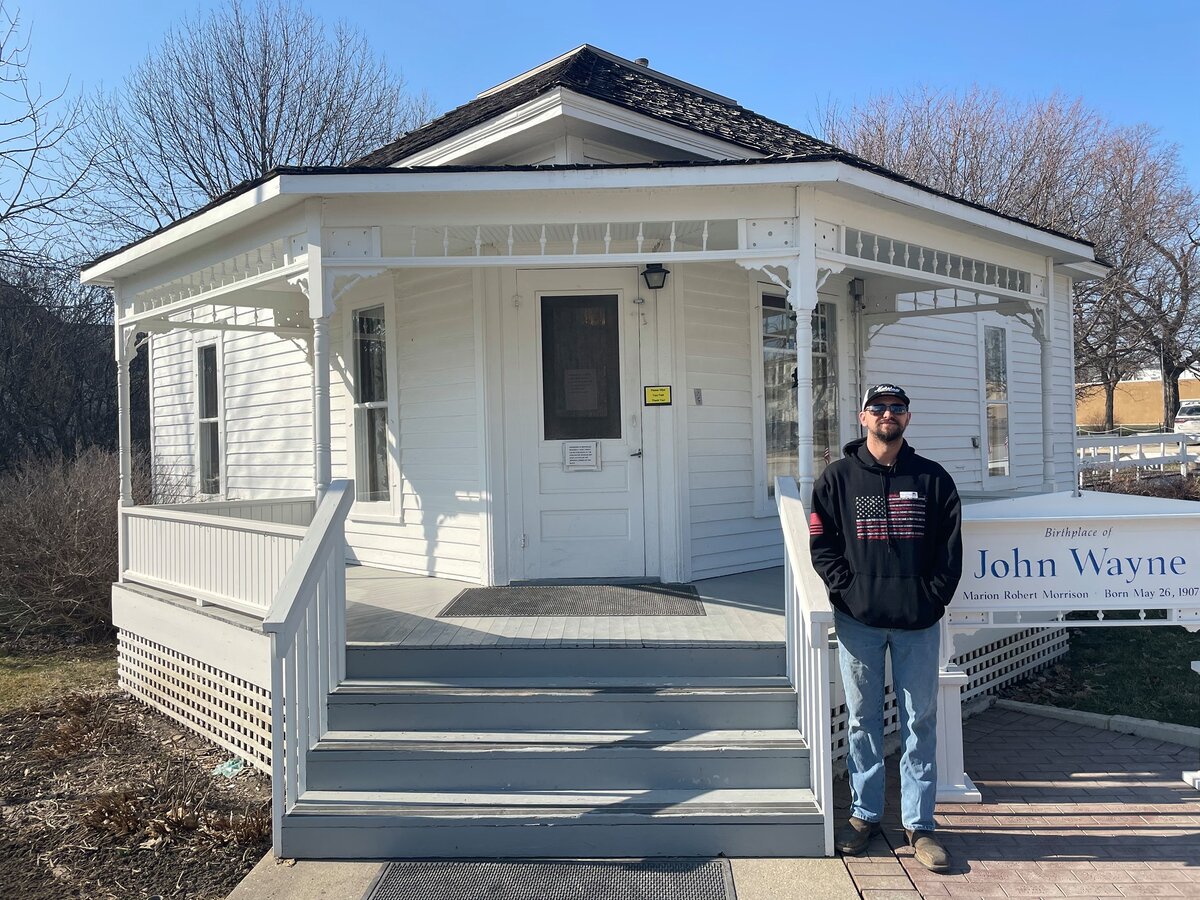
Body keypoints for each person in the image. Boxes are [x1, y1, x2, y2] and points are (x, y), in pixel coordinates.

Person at [808, 383, 963, 872]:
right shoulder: (836, 479)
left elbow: (950, 548)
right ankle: (864, 816)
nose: (887, 415)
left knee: (920, 722)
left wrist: (932, 596)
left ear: (908, 419)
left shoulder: (933, 479)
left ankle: (920, 826)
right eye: (879, 408)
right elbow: (822, 544)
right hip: (860, 622)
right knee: (862, 721)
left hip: (919, 623)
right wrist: (849, 593)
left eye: (897, 408)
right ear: (863, 417)